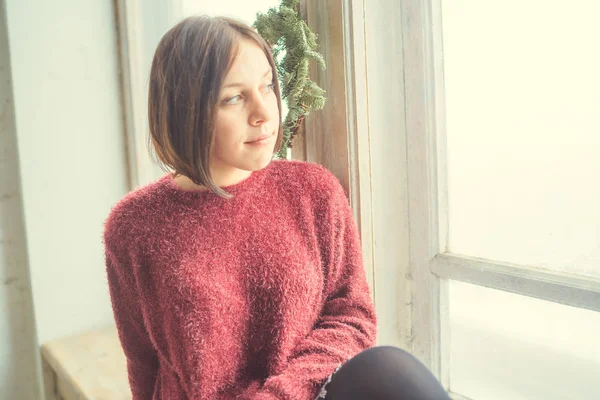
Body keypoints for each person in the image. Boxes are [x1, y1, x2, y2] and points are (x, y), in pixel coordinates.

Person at [104, 15, 450, 400]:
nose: (264, 113)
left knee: (387, 369)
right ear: (184, 109)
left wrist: (281, 395)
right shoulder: (135, 226)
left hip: (306, 393)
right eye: (234, 97)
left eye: (267, 87)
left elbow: (350, 316)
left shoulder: (312, 190)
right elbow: (144, 363)